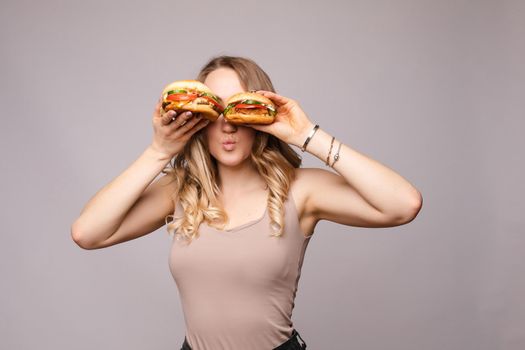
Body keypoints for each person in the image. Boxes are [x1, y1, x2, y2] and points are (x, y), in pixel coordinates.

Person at [71, 55, 423, 350]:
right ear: (198, 119)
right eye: (215, 112)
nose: (227, 125)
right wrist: (158, 152)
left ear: (260, 113)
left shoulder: (300, 190)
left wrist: (306, 135)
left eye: (238, 108)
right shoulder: (180, 190)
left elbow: (403, 204)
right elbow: (88, 233)